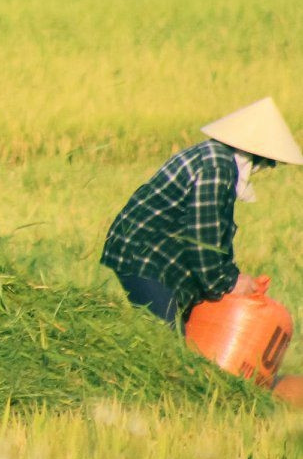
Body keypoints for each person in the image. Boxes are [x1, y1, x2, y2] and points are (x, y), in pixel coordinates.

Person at [102, 97, 301, 328]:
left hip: (156, 253)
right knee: (166, 340)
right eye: (269, 162)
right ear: (256, 154)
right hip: (142, 256)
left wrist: (231, 275)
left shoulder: (218, 159)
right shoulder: (216, 168)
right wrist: (227, 283)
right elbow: (202, 240)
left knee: (186, 335)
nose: (267, 168)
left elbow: (215, 236)